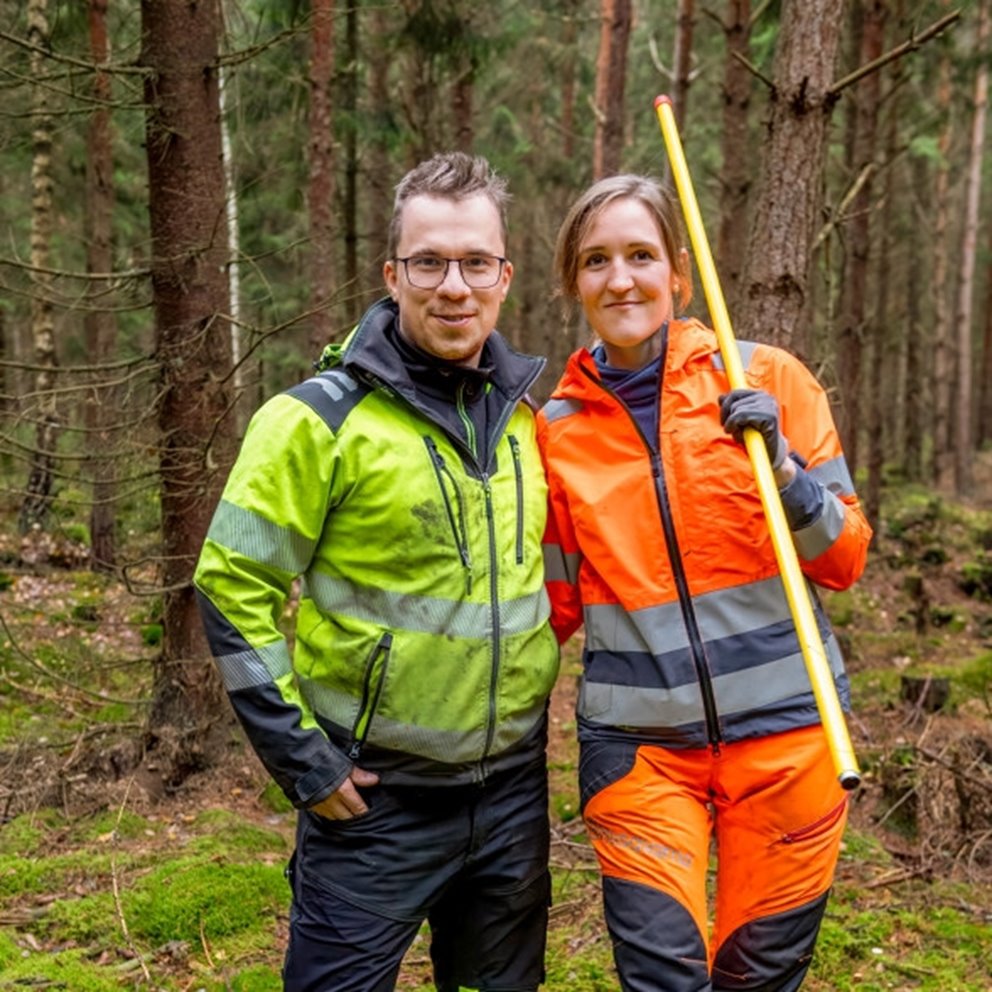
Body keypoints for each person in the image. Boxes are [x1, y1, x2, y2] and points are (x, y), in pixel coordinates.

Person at [194, 151, 559, 992]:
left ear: (505, 276)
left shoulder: (527, 423)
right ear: (393, 274)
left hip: (509, 798)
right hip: (371, 803)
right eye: (429, 262)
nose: (454, 286)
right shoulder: (313, 419)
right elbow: (229, 585)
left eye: (475, 263)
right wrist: (304, 764)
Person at [538, 174, 872, 992]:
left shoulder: (769, 379)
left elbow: (846, 559)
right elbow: (548, 608)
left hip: (792, 739)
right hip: (641, 753)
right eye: (596, 260)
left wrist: (786, 470)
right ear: (573, 283)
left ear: (678, 274)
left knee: (758, 979)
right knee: (662, 978)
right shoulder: (553, 433)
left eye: (640, 255)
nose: (621, 278)